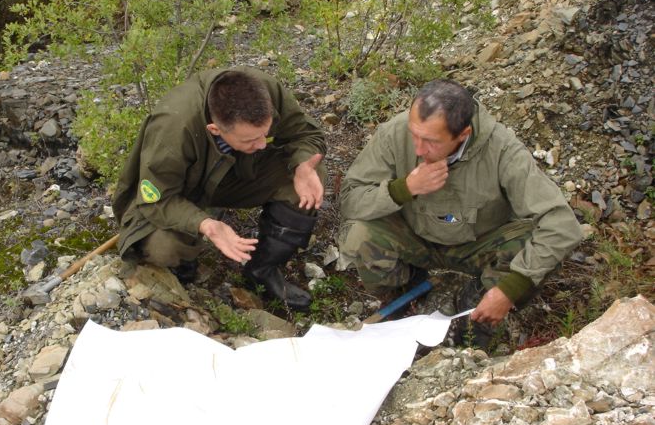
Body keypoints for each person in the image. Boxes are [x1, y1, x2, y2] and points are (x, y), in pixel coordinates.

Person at [339, 79, 581, 331]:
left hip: (479, 245)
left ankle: (477, 308)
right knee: (357, 233)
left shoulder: (502, 150)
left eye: (431, 141)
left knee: (536, 247)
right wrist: (404, 189)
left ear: (462, 134)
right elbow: (350, 199)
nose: (418, 149)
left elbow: (562, 224)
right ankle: (406, 297)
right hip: (414, 240)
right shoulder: (395, 133)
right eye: (414, 135)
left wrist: (511, 289)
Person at [112, 67, 327, 310]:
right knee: (163, 248)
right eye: (249, 140)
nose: (260, 145)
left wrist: (301, 164)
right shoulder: (172, 127)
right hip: (181, 192)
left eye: (264, 135)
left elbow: (304, 133)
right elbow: (156, 199)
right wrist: (206, 225)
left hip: (235, 173)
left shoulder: (265, 92)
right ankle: (186, 259)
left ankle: (262, 270)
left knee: (310, 176)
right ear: (215, 130)